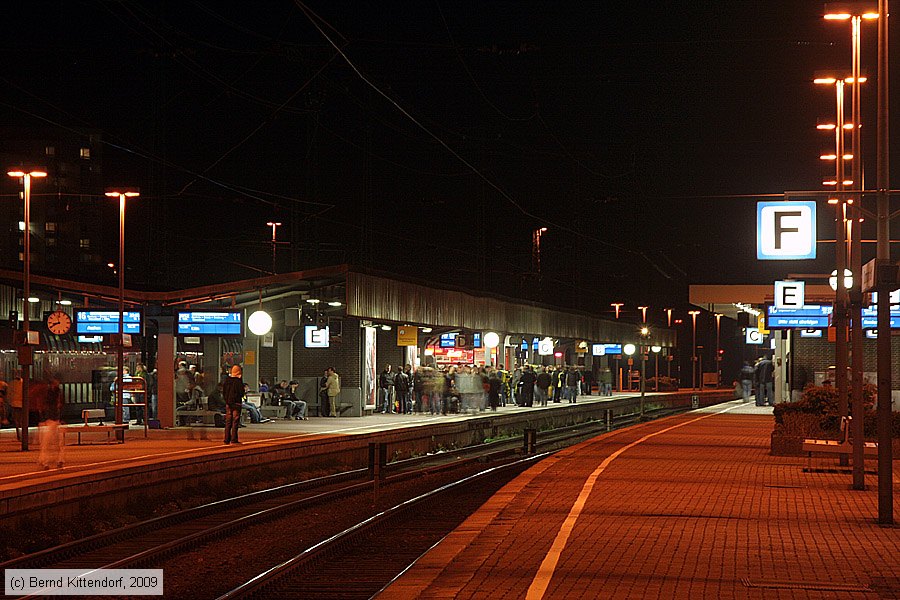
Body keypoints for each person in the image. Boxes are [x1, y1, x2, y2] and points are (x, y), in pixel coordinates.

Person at [37, 376, 65, 470]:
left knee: (47, 443)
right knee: (55, 442)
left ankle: (45, 461)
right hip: (51, 421)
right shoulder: (55, 394)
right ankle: (54, 460)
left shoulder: (52, 393)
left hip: (51, 421)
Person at [223, 365, 243, 444]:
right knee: (235, 421)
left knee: (228, 421)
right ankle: (234, 439)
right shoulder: (238, 381)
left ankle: (226, 438)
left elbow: (224, 392)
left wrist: (227, 400)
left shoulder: (227, 381)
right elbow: (241, 393)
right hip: (236, 403)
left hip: (228, 403)